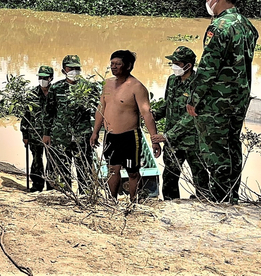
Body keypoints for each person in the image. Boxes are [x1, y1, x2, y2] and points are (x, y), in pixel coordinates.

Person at [186, 0, 259, 203]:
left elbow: (208, 67)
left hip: (216, 101)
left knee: (214, 150)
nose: (206, 2)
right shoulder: (247, 25)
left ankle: (218, 199)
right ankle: (231, 196)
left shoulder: (218, 26)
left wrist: (193, 98)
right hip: (239, 99)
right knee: (232, 146)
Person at [90, 50, 164, 202]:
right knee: (112, 170)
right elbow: (100, 109)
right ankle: (112, 201)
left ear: (128, 66)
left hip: (130, 136)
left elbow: (147, 113)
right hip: (110, 135)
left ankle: (134, 201)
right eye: (112, 64)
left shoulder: (136, 87)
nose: (114, 67)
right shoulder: (107, 84)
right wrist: (95, 132)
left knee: (133, 172)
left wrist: (154, 139)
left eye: (118, 64)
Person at [151, 46, 209, 200]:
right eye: (173, 62)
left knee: (200, 176)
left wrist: (166, 135)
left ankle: (205, 203)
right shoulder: (172, 80)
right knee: (170, 177)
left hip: (193, 140)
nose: (174, 66)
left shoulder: (198, 85)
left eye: (177, 63)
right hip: (173, 142)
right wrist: (154, 115)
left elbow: (192, 116)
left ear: (188, 65)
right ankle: (171, 205)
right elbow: (167, 103)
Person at [43, 55, 100, 194]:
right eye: (71, 68)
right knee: (62, 167)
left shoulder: (89, 88)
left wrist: (96, 133)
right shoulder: (56, 88)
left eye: (77, 68)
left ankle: (86, 196)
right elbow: (49, 112)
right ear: (63, 70)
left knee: (85, 167)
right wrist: (46, 133)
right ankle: (66, 195)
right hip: (61, 136)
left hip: (83, 135)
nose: (74, 71)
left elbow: (98, 111)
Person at [21, 65, 54, 192]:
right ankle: (37, 185)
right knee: (36, 161)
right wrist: (25, 135)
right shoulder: (32, 95)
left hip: (52, 135)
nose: (42, 80)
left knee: (52, 161)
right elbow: (26, 116)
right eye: (40, 77)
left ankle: (51, 186)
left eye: (45, 78)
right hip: (34, 134)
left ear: (51, 78)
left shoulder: (55, 93)